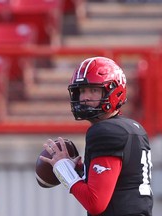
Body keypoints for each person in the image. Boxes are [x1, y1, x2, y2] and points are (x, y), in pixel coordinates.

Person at [40, 56, 153, 215]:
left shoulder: (105, 131)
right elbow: (122, 180)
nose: (85, 97)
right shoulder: (134, 127)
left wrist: (64, 170)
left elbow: (95, 203)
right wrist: (80, 168)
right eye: (82, 90)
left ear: (114, 91)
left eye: (93, 90)